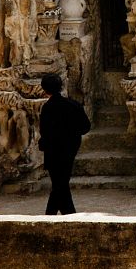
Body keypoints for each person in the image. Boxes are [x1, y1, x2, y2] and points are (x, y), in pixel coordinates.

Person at [38, 72, 91, 216]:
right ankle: (68, 215)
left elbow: (44, 132)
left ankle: (53, 216)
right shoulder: (73, 105)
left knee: (59, 185)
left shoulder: (47, 108)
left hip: (53, 153)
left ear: (44, 89)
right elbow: (86, 127)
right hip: (70, 150)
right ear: (61, 86)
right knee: (61, 184)